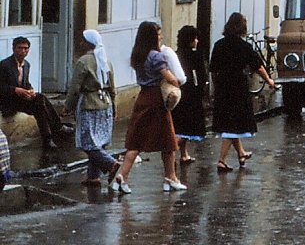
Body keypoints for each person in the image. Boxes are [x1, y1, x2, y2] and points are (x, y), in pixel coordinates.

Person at [112, 21, 185, 194]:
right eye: (158, 34)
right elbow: (171, 78)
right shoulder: (156, 56)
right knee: (168, 140)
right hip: (156, 99)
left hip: (142, 97)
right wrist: (177, 83)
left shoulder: (138, 55)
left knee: (136, 141)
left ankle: (122, 175)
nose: (161, 37)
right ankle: (171, 177)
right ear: (151, 37)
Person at [210, 12, 275, 173]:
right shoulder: (244, 47)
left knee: (231, 122)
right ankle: (222, 160)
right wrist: (269, 80)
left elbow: (213, 69)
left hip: (222, 87)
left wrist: (216, 86)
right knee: (233, 126)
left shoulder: (218, 45)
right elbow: (258, 66)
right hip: (238, 87)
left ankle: (241, 153)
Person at [65, 30, 118, 187]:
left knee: (87, 142)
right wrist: (114, 107)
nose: (80, 43)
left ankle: (110, 164)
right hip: (105, 104)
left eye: (83, 40)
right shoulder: (106, 61)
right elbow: (112, 88)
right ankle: (93, 176)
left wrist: (68, 107)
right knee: (98, 141)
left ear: (88, 43)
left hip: (89, 104)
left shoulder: (83, 62)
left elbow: (75, 88)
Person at [0, 37, 70, 150]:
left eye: (26, 48)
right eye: (20, 48)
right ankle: (58, 127)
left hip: (21, 100)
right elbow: (1, 87)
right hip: (8, 101)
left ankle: (48, 140)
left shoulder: (26, 65)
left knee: (39, 105)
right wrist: (16, 90)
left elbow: (26, 83)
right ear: (13, 49)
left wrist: (30, 90)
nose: (23, 51)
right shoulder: (5, 65)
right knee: (40, 99)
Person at [172, 25, 208, 164]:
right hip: (192, 94)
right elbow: (201, 74)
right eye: (195, 38)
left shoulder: (176, 55)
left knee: (180, 126)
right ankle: (171, 151)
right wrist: (202, 89)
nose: (197, 41)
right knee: (189, 128)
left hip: (179, 93)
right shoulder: (196, 55)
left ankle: (184, 154)